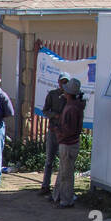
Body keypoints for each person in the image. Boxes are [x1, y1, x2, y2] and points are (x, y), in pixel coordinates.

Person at [53, 78, 85, 208]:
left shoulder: (71, 108)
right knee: (64, 171)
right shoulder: (75, 105)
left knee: (66, 173)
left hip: (68, 144)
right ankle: (59, 196)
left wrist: (57, 130)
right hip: (69, 143)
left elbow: (68, 130)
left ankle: (66, 200)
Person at [41, 75, 68, 197]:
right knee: (49, 160)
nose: (63, 84)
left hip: (64, 132)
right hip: (53, 130)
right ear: (58, 82)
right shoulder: (52, 95)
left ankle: (60, 189)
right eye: (62, 82)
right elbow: (45, 110)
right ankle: (45, 186)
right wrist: (54, 115)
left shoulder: (70, 97)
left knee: (63, 161)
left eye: (66, 82)